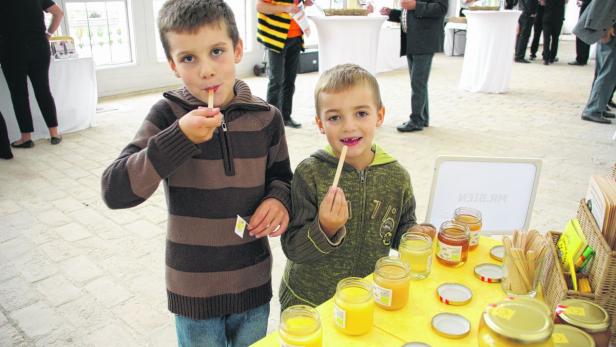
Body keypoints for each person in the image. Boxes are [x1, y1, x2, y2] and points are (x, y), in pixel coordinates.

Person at [101, 1, 293, 346]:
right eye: (189, 58)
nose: (206, 70)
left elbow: (282, 178)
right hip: (193, 289)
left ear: (237, 50)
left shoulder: (267, 117)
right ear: (173, 65)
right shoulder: (166, 115)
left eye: (217, 51)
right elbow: (115, 190)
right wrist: (178, 137)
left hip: (252, 282)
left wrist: (279, 200)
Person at [278, 64, 418, 310]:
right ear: (321, 124)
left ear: (380, 116)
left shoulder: (397, 177)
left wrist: (415, 235)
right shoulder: (310, 173)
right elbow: (293, 249)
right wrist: (325, 228)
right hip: (310, 302)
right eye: (334, 117)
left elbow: (400, 230)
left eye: (361, 113)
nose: (349, 126)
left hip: (364, 300)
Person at [0, 0, 64, 148]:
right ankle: (54, 133)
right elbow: (58, 13)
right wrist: (48, 34)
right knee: (43, 90)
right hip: (39, 46)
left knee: (19, 94)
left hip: (11, 49)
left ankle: (26, 137)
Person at [381, 0, 448, 132]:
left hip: (425, 40)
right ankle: (422, 119)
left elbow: (441, 8)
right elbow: (408, 14)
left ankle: (416, 120)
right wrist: (391, 13)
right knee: (419, 82)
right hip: (412, 40)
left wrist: (415, 5)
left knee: (418, 82)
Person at [256, 0, 313, 129]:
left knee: (290, 80)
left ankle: (286, 117)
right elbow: (260, 6)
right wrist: (286, 8)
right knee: (276, 80)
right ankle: (270, 120)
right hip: (276, 37)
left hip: (296, 36)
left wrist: (305, 3)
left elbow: (297, 6)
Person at [541, 0, 565, 65]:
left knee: (546, 39)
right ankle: (552, 57)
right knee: (555, 39)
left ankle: (546, 58)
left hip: (547, 17)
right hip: (558, 18)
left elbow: (542, 3)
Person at [568, 0, 592, 66]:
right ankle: (584, 58)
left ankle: (580, 59)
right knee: (587, 31)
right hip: (591, 6)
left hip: (587, 5)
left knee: (581, 31)